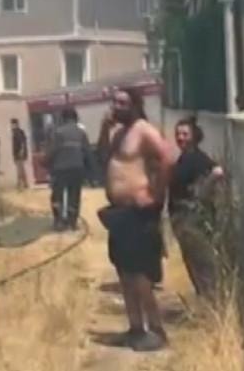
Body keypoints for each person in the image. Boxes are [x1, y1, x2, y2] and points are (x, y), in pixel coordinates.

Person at [97, 86, 179, 352]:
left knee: (141, 275)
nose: (116, 106)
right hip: (119, 213)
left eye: (122, 102)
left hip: (138, 212)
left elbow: (167, 158)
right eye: (114, 102)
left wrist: (156, 194)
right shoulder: (119, 133)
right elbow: (102, 157)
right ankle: (135, 328)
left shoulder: (143, 130)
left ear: (134, 105)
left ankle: (156, 329)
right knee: (123, 271)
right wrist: (104, 129)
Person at [168, 117, 226, 298]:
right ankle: (205, 302)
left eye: (185, 134)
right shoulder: (184, 158)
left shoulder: (197, 159)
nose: (180, 138)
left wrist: (202, 193)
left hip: (192, 219)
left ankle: (211, 304)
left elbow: (217, 173)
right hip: (182, 219)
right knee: (193, 264)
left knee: (202, 265)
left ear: (194, 136)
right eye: (178, 134)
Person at [45, 107, 92, 231]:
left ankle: (59, 221)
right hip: (77, 168)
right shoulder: (81, 133)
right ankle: (72, 222)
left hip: (60, 169)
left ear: (63, 118)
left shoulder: (58, 132)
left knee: (57, 195)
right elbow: (87, 152)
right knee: (74, 196)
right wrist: (89, 172)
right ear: (75, 118)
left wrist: (45, 162)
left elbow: (52, 151)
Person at [10, 118, 29, 189]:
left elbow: (22, 143)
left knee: (20, 169)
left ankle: (20, 184)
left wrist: (21, 151)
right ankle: (24, 183)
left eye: (13, 124)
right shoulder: (16, 132)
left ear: (16, 124)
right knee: (21, 169)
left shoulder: (18, 132)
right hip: (17, 153)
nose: (12, 126)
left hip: (19, 153)